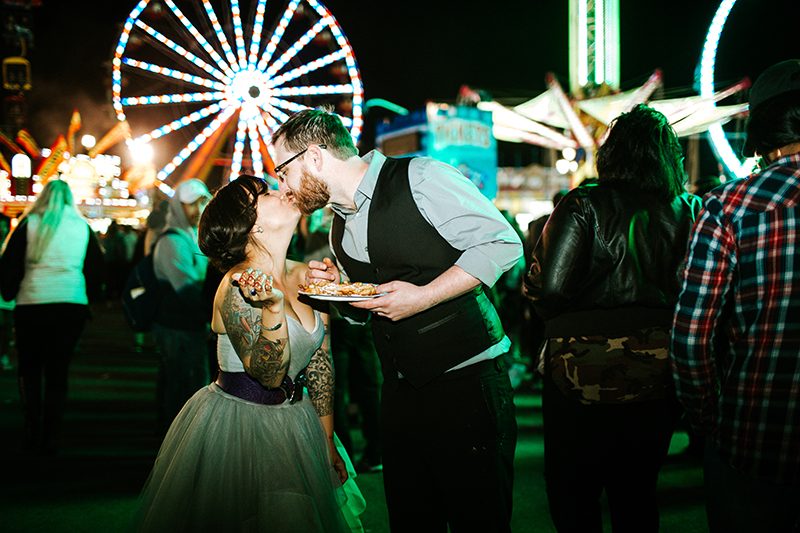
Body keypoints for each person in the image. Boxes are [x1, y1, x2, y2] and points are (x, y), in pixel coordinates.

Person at [271, 108, 522, 532]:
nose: (282, 185)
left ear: (314, 158)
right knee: (411, 519)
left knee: (479, 519)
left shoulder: (421, 177)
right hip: (401, 392)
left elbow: (502, 242)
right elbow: (374, 300)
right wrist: (341, 287)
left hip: (467, 383)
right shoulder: (337, 224)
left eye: (283, 170)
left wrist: (423, 297)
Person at [134, 175, 364, 532]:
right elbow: (269, 375)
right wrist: (273, 308)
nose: (280, 190)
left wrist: (327, 440)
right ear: (251, 224)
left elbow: (320, 363)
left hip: (299, 423)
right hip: (243, 427)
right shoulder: (237, 286)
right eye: (265, 194)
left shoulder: (307, 274)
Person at [524, 104, 701, 532]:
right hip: (658, 366)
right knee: (637, 492)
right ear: (666, 155)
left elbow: (549, 287)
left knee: (573, 492)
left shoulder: (584, 202)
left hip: (579, 365)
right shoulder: (688, 208)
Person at [671, 59, 800, 533]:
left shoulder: (729, 205)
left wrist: (708, 419)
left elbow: (690, 337)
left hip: (755, 432)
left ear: (762, 126)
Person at [0, 179, 104, 454]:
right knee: (58, 369)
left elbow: (10, 263)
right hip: (70, 302)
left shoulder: (30, 223)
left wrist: (8, 292)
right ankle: (52, 430)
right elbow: (95, 268)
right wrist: (89, 299)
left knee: (30, 368)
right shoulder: (82, 227)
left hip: (33, 301)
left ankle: (32, 425)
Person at [150, 178, 212, 432]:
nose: (197, 210)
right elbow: (186, 287)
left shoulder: (191, 236)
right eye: (191, 205)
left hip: (189, 321)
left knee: (185, 379)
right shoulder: (172, 241)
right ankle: (173, 434)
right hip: (176, 322)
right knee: (180, 380)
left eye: (201, 203)